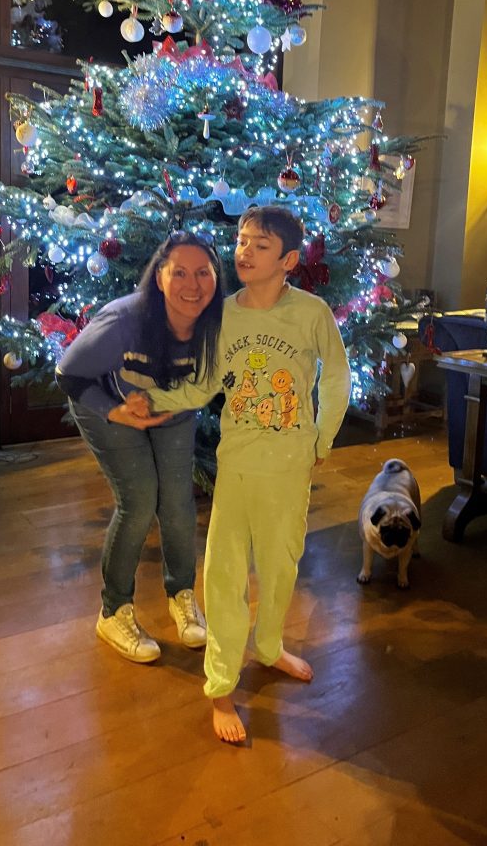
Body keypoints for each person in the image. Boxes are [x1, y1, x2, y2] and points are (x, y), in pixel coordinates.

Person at [129, 206, 351, 743]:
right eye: (241, 240)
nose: (244, 252)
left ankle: (270, 646)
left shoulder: (311, 313)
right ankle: (222, 685)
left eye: (259, 245)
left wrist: (321, 437)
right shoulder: (224, 314)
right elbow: (205, 384)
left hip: (291, 464)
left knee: (281, 564)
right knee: (225, 575)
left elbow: (337, 374)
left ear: (289, 261)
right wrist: (154, 397)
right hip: (239, 465)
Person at [55, 232, 224, 664]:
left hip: (175, 411)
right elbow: (69, 374)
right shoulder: (124, 321)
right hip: (108, 407)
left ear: (216, 277)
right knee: (139, 500)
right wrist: (114, 412)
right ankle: (113, 610)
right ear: (159, 277)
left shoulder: (220, 322)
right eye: (180, 272)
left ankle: (182, 593)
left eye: (203, 272)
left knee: (177, 501)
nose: (193, 284)